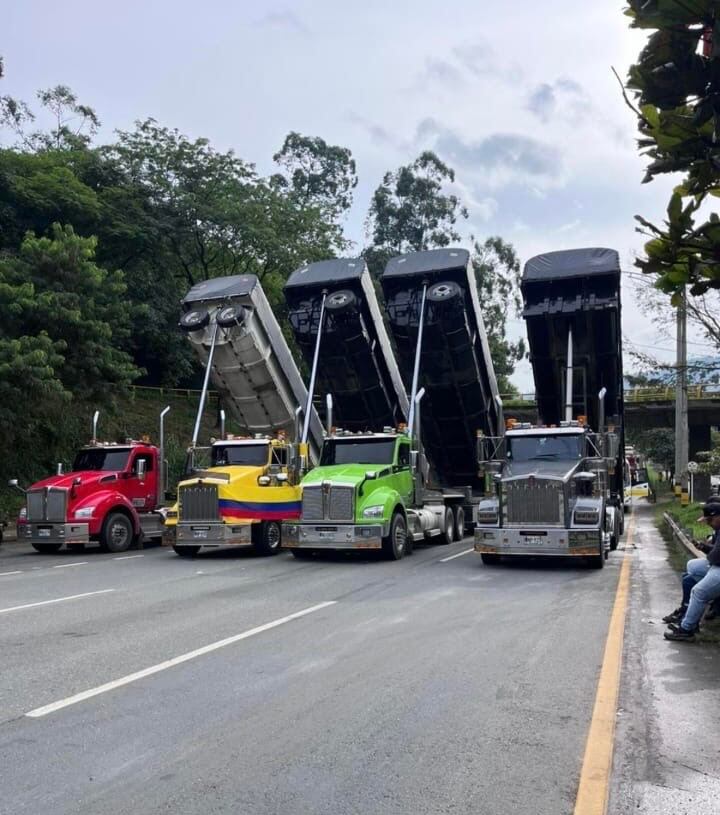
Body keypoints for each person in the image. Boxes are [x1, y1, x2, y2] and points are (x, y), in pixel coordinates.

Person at [665, 501, 720, 642]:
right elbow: (714, 554)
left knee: (699, 591)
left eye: (710, 520)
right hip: (716, 565)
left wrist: (709, 552)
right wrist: (704, 546)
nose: (709, 523)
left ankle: (687, 629)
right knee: (691, 568)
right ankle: (689, 611)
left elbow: (715, 555)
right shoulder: (718, 529)